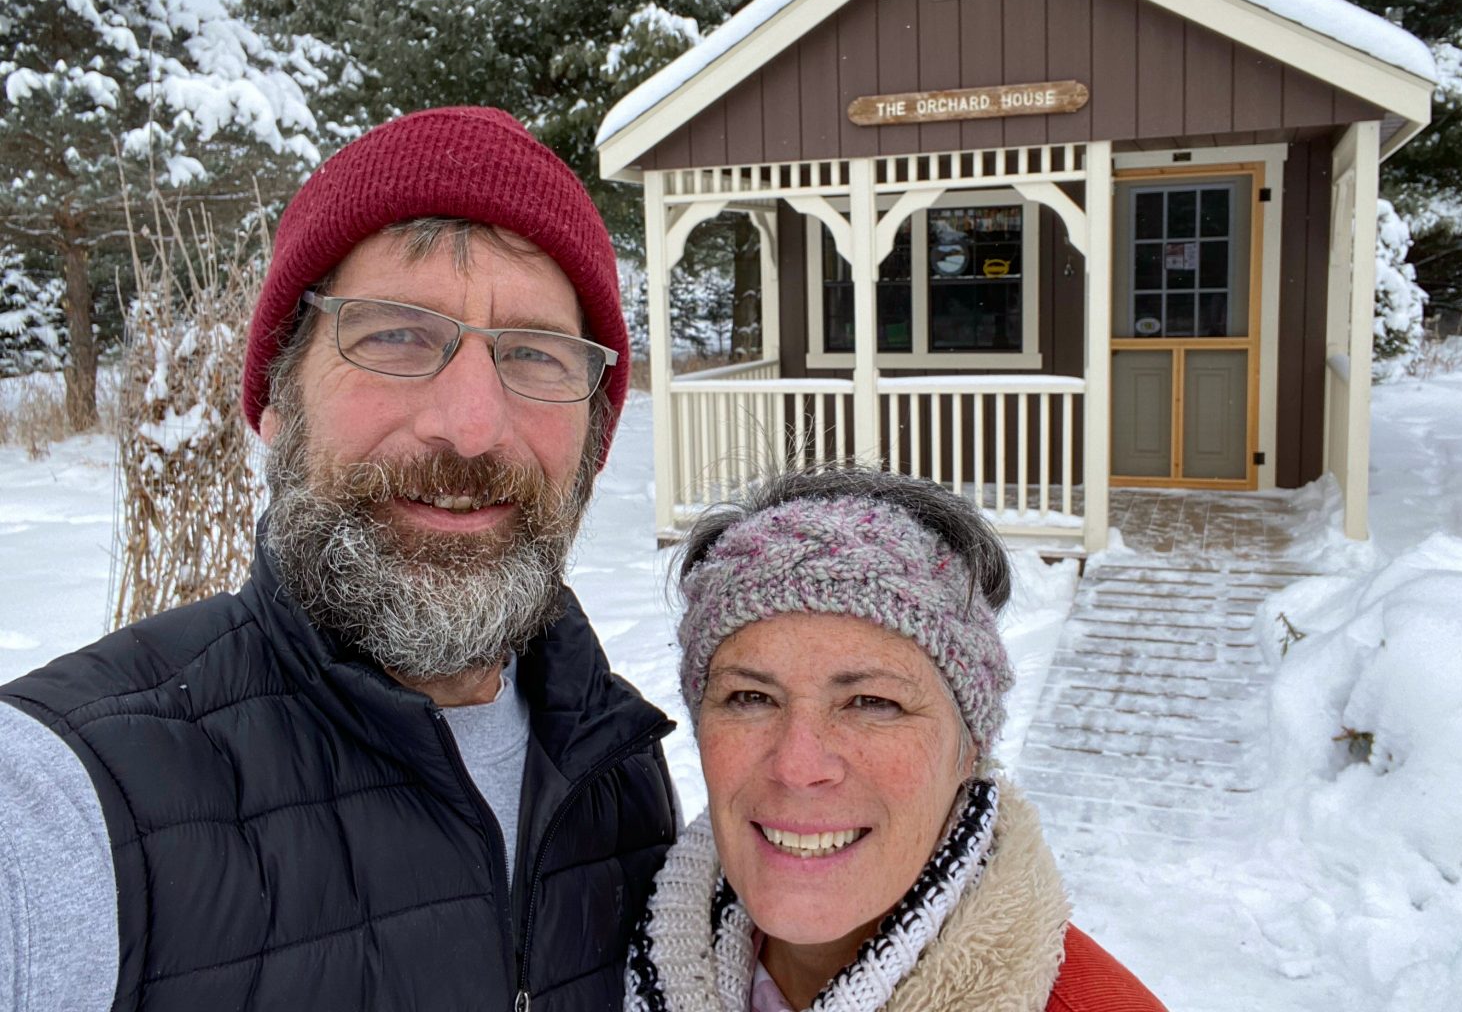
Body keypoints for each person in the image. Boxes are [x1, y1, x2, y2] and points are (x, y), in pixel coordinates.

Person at [0, 107, 677, 1012]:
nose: (471, 426)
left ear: (591, 438)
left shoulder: (622, 776)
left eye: (534, 353)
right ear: (280, 398)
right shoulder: (65, 803)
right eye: (395, 335)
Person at [626, 467, 1168, 1012]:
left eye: (873, 703)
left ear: (969, 749)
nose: (797, 764)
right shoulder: (600, 958)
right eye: (750, 698)